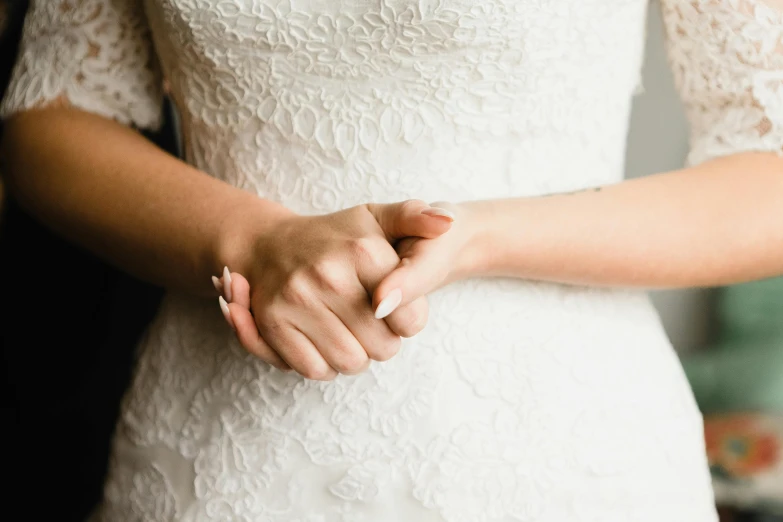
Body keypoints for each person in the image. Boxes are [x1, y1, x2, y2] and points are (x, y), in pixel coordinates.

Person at [1, 0, 781, 520]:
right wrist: (251, 241)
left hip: (556, 447)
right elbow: (49, 116)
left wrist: (481, 237)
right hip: (220, 450)